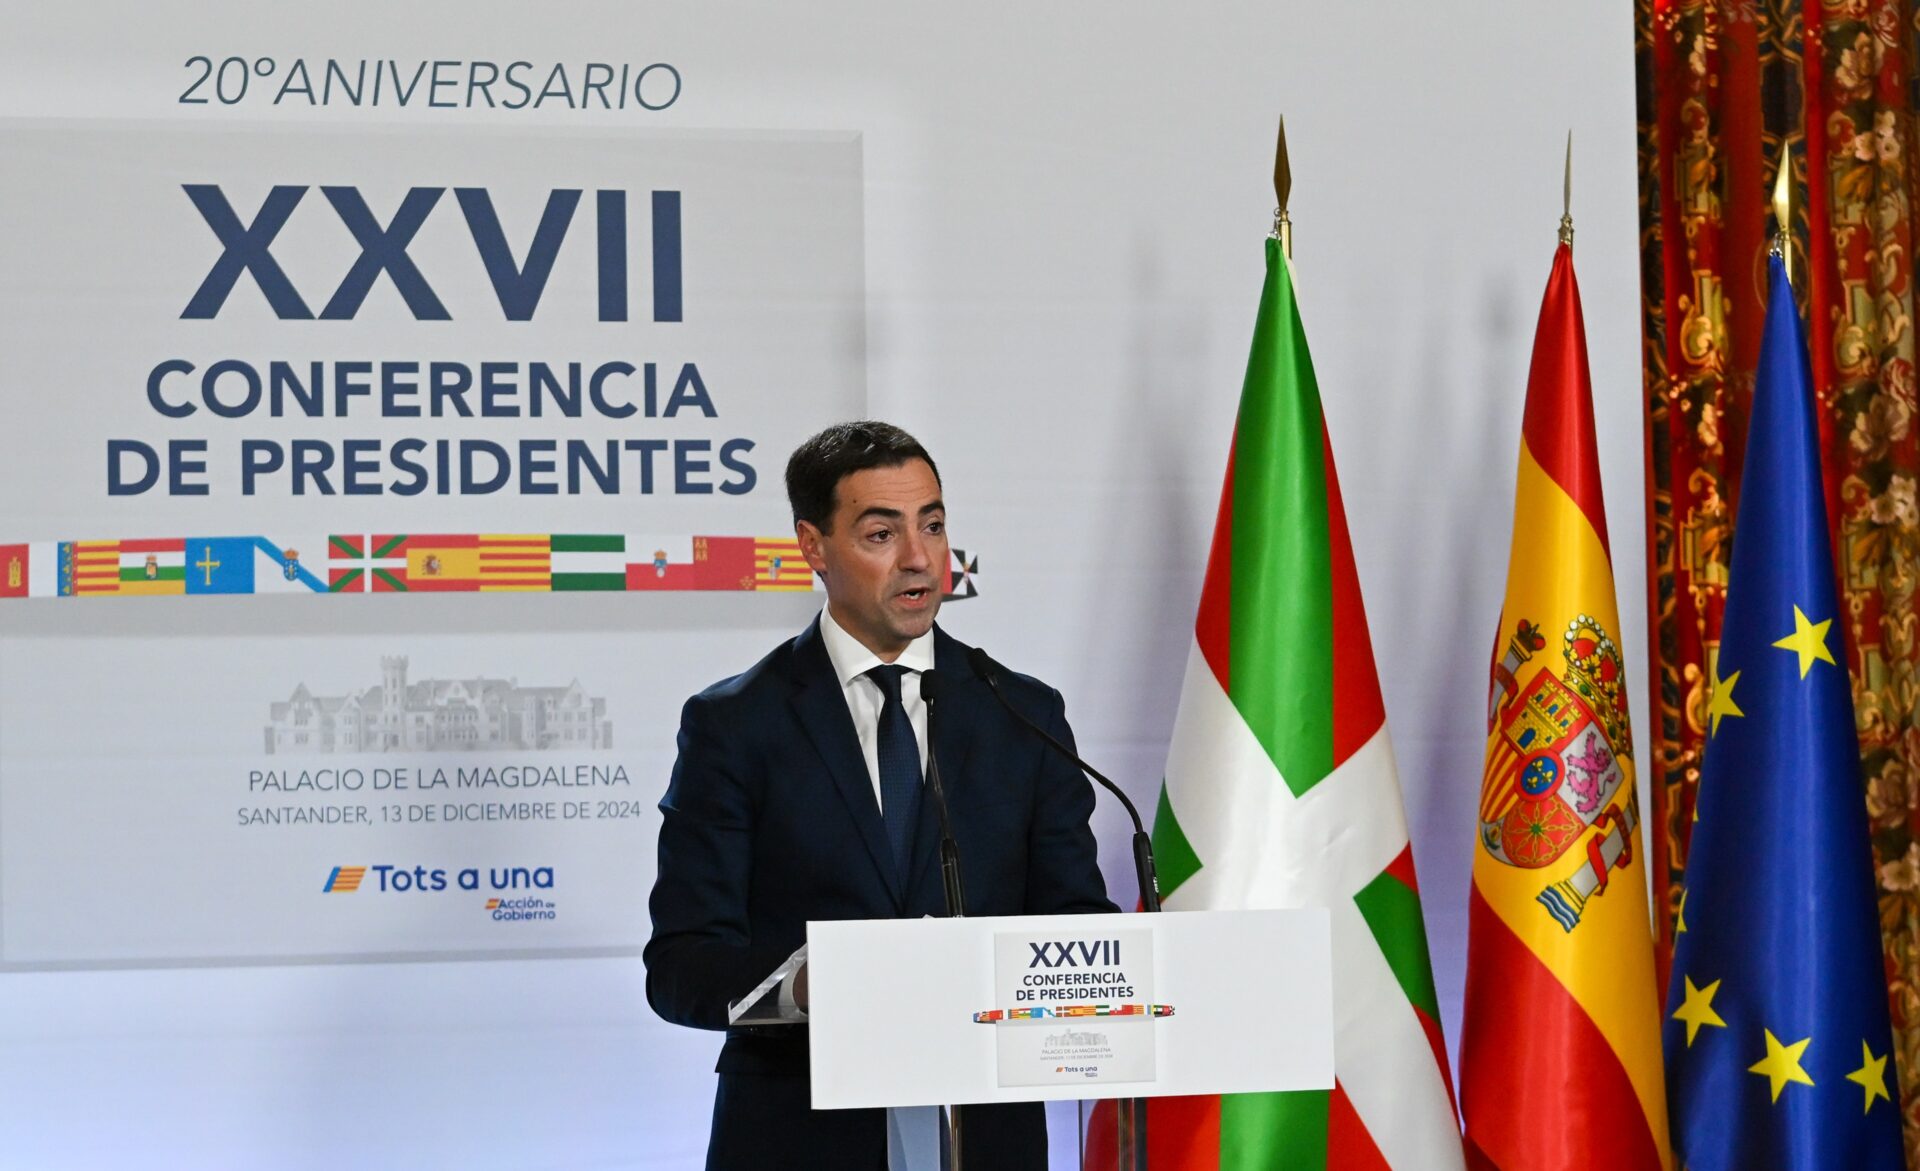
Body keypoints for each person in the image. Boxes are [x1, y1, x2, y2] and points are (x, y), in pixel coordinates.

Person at [645, 420, 1114, 1170]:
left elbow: (1077, 924)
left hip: (983, 1133)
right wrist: (812, 983)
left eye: (933, 524)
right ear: (814, 546)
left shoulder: (1022, 714)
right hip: (800, 1134)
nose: (920, 557)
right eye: (881, 533)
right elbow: (681, 967)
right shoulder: (734, 724)